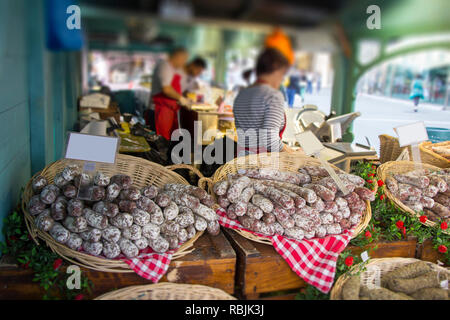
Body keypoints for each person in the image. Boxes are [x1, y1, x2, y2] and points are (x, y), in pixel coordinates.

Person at [233, 48, 296, 155]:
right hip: (264, 163)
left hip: (242, 159)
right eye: (282, 74)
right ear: (276, 70)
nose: (282, 79)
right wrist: (293, 154)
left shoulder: (241, 95)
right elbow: (269, 140)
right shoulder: (273, 96)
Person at [148, 47, 192, 140]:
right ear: (177, 56)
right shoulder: (164, 66)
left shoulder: (174, 69)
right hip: (159, 110)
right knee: (160, 141)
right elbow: (166, 89)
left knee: (168, 141)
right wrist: (181, 98)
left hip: (169, 110)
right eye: (183, 59)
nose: (183, 63)